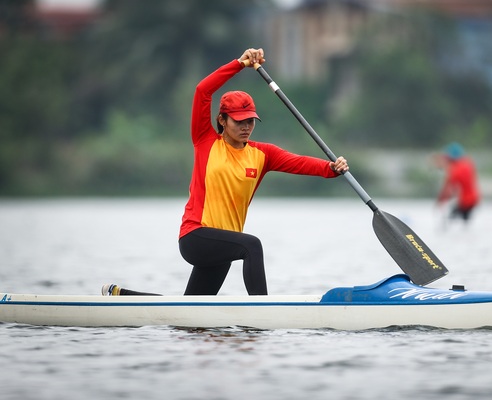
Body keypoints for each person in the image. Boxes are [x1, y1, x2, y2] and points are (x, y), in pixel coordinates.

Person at [103, 48, 348, 297]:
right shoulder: (204, 141)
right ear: (222, 120)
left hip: (224, 243)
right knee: (252, 246)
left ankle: (120, 296)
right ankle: (263, 311)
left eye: (250, 121)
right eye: (239, 121)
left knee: (193, 310)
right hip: (196, 236)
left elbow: (299, 162)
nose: (246, 127)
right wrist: (239, 64)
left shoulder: (262, 154)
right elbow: (203, 91)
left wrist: (331, 168)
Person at [433, 142, 480, 222]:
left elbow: (447, 189)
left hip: (466, 201)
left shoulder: (455, 170)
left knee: (451, 220)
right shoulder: (467, 164)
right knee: (464, 220)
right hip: (474, 199)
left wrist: (440, 201)